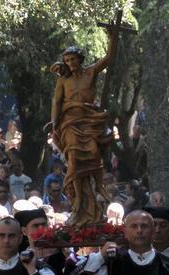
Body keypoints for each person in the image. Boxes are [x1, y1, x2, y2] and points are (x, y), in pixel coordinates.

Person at [49, 33, 117, 226]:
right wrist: (54, 122)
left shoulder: (90, 72)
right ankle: (78, 200)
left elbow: (109, 58)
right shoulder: (63, 80)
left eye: (73, 59)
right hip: (70, 122)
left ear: (80, 59)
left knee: (94, 153)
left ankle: (96, 195)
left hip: (89, 120)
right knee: (74, 160)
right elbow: (57, 101)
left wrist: (114, 35)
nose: (70, 63)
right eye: (67, 60)